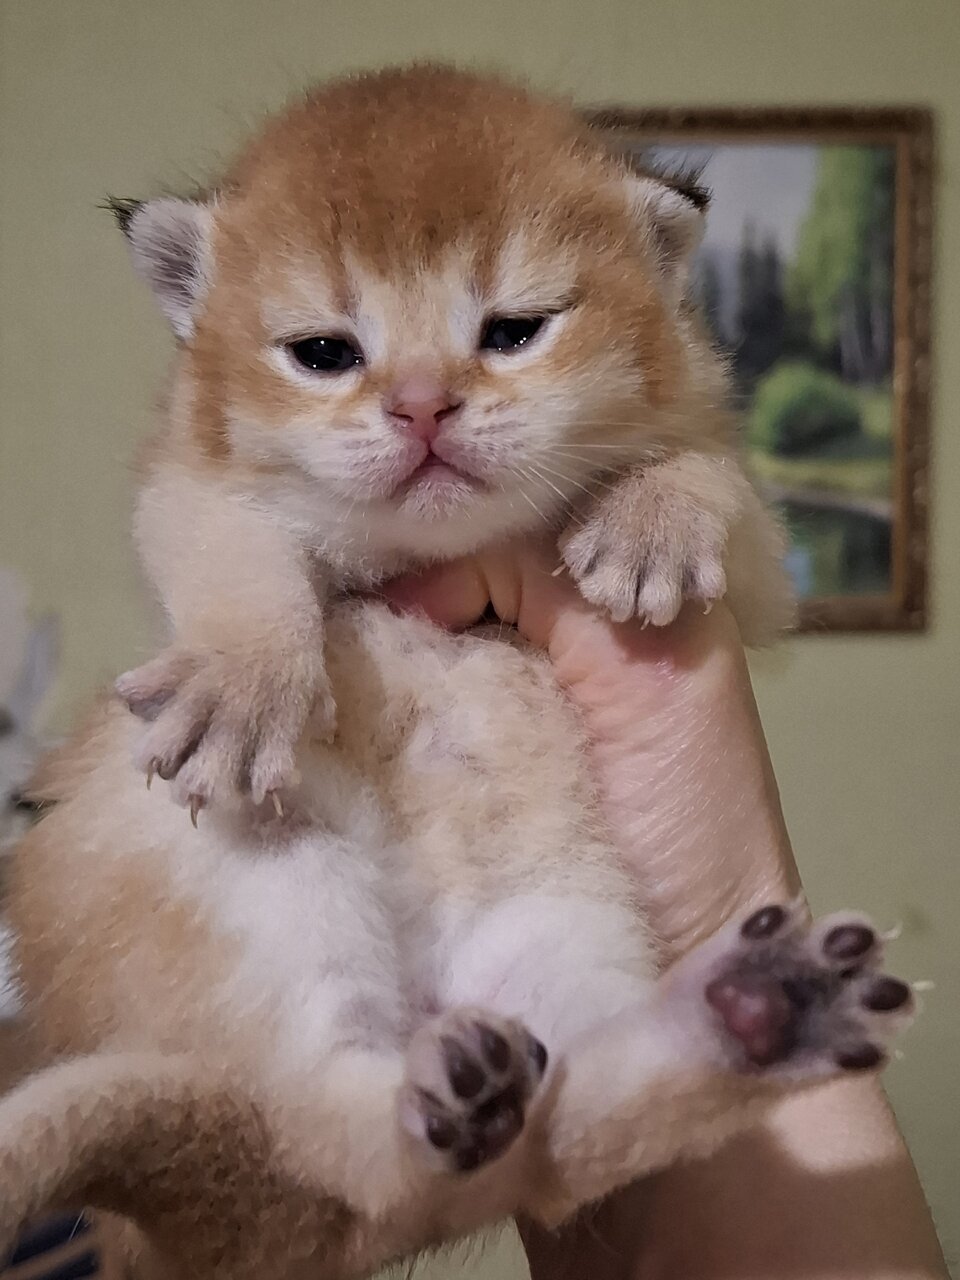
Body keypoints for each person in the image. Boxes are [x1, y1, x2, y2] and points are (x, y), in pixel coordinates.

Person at [385, 536, 947, 1280]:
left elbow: (747, 575)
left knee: (554, 1014)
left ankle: (676, 1053)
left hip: (525, 901)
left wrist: (723, 907)